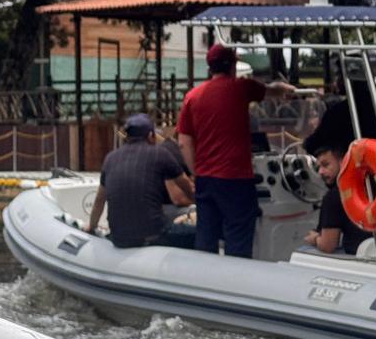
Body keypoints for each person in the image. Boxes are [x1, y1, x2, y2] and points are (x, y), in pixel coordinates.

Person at [176, 44, 299, 258]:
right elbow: (273, 90)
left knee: (206, 239)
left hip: (206, 179)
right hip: (236, 178)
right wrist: (287, 90)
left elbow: (183, 142)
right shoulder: (241, 87)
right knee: (238, 239)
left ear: (210, 67)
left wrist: (196, 172)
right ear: (232, 65)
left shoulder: (192, 97)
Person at [85, 113, 196, 248]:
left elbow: (99, 201)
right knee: (203, 232)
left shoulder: (110, 158)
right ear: (151, 136)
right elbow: (189, 189)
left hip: (119, 238)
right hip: (155, 236)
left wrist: (91, 227)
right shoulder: (160, 153)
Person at [302, 144, 371, 256]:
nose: (320, 172)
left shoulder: (333, 197)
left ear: (342, 162)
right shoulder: (372, 185)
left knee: (303, 251)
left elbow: (327, 245)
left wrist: (314, 238)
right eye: (318, 167)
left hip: (354, 256)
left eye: (325, 165)